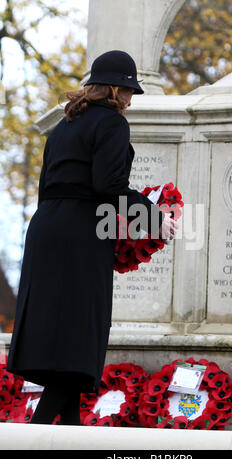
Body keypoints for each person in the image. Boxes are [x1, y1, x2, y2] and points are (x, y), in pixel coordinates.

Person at [6, 50, 178, 425]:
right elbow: (109, 185)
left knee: (61, 338)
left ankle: (70, 431)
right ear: (115, 90)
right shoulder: (112, 124)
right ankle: (31, 438)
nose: (132, 99)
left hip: (46, 229)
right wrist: (154, 218)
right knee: (77, 339)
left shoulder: (65, 125)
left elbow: (47, 185)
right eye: (130, 91)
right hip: (79, 235)